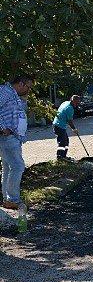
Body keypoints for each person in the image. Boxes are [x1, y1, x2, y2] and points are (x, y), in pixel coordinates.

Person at [0, 74, 34, 209]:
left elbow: (20, 113)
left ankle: (8, 199)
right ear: (21, 84)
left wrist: (24, 101)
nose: (28, 90)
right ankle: (13, 199)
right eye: (28, 87)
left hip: (13, 137)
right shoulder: (5, 91)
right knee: (18, 166)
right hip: (6, 136)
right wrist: (2, 128)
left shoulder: (14, 95)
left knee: (9, 167)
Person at [53, 95, 81, 161]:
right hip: (59, 126)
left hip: (57, 124)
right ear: (73, 101)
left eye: (78, 103)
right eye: (76, 103)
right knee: (62, 142)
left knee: (66, 141)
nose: (77, 104)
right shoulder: (70, 109)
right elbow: (69, 121)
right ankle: (60, 157)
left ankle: (64, 156)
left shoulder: (65, 102)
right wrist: (74, 129)